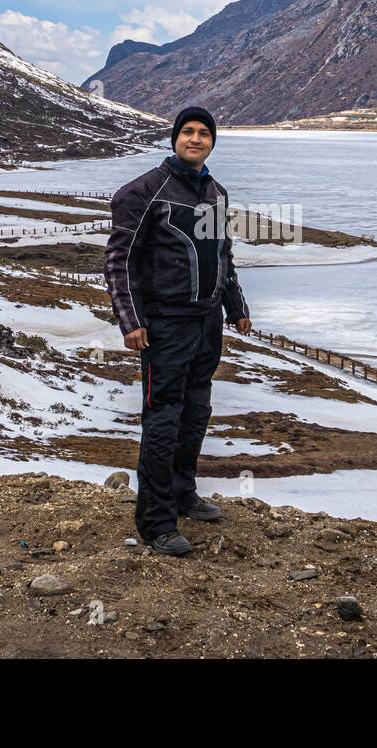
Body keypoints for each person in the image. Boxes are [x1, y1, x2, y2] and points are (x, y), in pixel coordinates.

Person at [103, 106, 251, 555]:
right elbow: (119, 263)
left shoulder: (215, 193)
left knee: (196, 412)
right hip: (164, 324)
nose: (195, 139)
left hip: (206, 323)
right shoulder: (144, 192)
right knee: (163, 419)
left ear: (212, 142)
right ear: (174, 139)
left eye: (204, 133)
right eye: (187, 132)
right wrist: (131, 322)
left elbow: (221, 257)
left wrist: (236, 306)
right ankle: (156, 521)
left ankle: (183, 493)